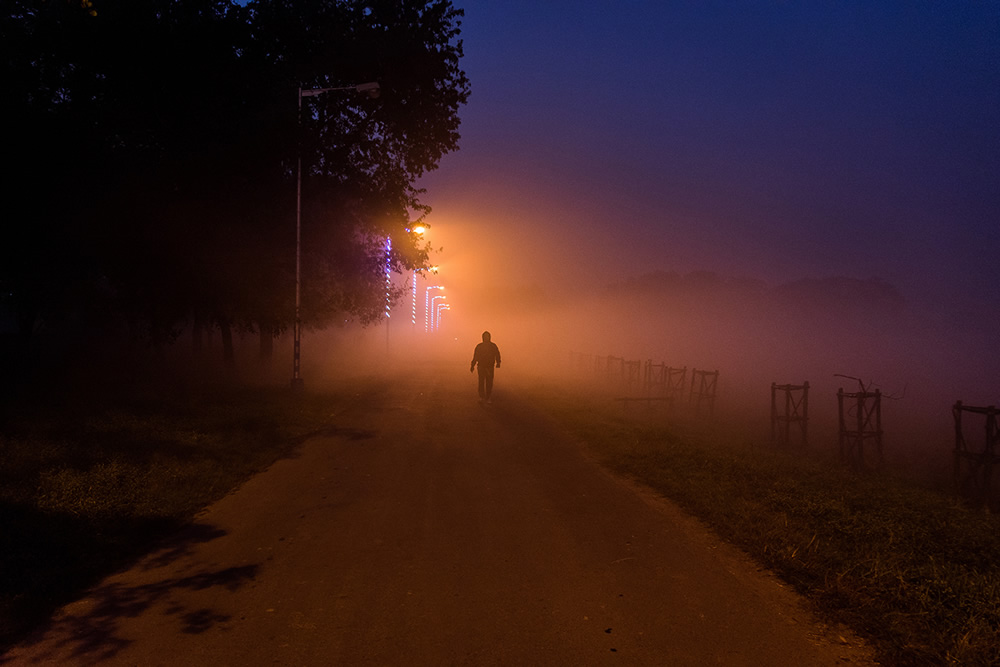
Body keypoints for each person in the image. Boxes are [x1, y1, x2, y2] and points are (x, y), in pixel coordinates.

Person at [470, 331, 502, 403]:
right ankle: (482, 397)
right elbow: (475, 356)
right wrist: (472, 365)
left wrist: (498, 362)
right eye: (485, 337)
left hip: (489, 367)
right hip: (482, 366)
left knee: (488, 382)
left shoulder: (490, 346)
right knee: (482, 382)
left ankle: (487, 397)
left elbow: (497, 354)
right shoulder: (484, 346)